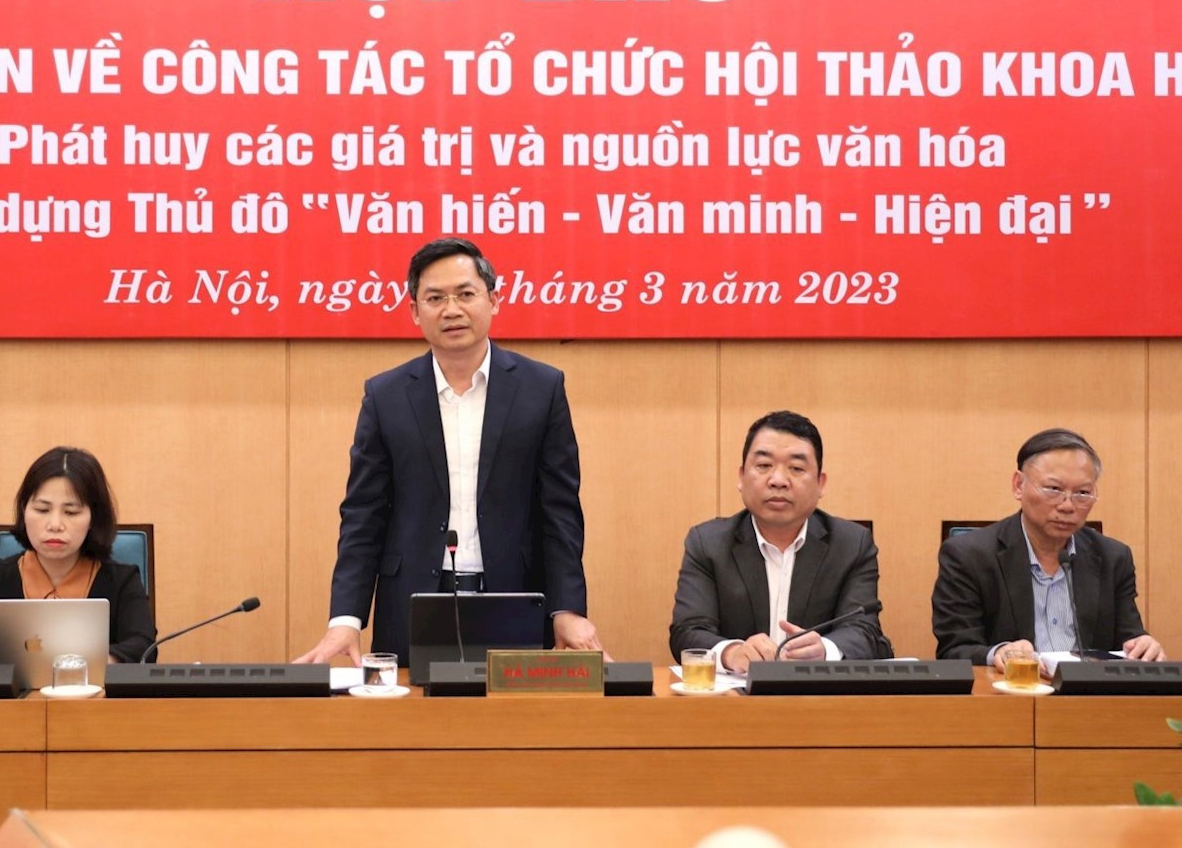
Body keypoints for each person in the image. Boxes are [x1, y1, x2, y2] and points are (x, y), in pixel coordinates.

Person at [295, 238, 604, 665]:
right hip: (412, 604)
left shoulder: (541, 388)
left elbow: (560, 511)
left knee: (512, 709)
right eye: (435, 298)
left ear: (493, 300)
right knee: (412, 709)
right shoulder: (386, 396)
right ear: (414, 311)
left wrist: (566, 608)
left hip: (515, 598)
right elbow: (364, 514)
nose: (451, 309)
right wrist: (346, 618)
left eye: (465, 294)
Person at [670, 411, 891, 671]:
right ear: (741, 477)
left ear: (820, 484)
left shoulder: (852, 545)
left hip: (816, 694)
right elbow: (688, 631)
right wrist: (732, 653)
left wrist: (825, 650)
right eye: (764, 466)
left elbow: (865, 631)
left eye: (796, 468)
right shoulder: (708, 544)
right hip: (735, 694)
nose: (778, 481)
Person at [932, 428, 1165, 667]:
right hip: (1011, 687)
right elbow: (954, 649)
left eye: (1082, 493)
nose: (1067, 506)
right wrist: (999, 653)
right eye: (1054, 489)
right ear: (1019, 485)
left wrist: (1142, 646)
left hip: (1086, 689)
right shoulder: (969, 556)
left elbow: (1129, 638)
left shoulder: (1113, 558)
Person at [0, 446, 156, 663]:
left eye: (71, 512)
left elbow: (144, 649)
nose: (55, 525)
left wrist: (87, 666)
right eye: (42, 510)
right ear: (24, 511)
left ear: (94, 518)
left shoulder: (122, 581)